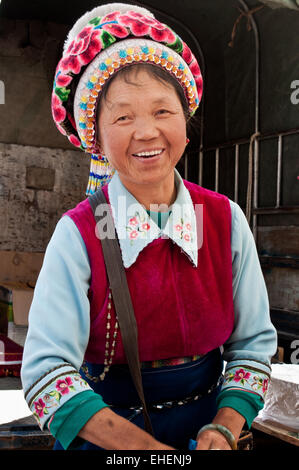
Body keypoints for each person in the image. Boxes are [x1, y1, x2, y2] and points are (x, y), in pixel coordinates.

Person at [21, 3, 277, 451]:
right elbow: (47, 376)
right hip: (107, 441)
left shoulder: (225, 220)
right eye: (123, 117)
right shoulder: (80, 234)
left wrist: (223, 428)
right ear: (96, 138)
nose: (146, 132)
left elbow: (253, 348)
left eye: (163, 111)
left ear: (186, 120)